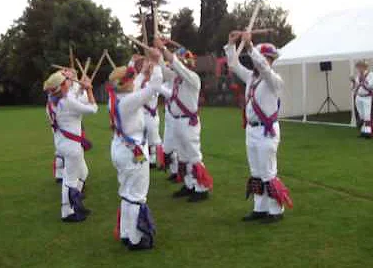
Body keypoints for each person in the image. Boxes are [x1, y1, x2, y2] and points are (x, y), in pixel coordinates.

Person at [225, 31, 292, 224]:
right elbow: (233, 65)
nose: (257, 62)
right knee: (256, 171)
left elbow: (263, 68)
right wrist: (231, 45)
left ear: (270, 60)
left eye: (263, 59)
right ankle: (259, 208)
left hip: (267, 131)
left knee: (268, 171)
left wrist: (250, 47)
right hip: (251, 130)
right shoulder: (251, 78)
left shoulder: (274, 80)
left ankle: (276, 210)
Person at [107, 50, 168, 251]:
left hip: (121, 148)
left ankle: (126, 233)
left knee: (126, 192)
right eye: (132, 78)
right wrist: (157, 62)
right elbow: (153, 87)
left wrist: (142, 70)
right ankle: (135, 238)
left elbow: (138, 86)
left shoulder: (116, 97)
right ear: (128, 83)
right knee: (136, 194)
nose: (136, 80)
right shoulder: (128, 101)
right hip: (132, 152)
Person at [154, 38, 214, 202]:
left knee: (193, 155)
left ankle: (202, 189)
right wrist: (158, 54)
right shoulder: (176, 78)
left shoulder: (193, 78)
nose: (177, 64)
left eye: (181, 61)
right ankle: (189, 184)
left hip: (188, 123)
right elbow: (165, 71)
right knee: (183, 156)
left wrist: (163, 48)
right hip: (177, 122)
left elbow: (175, 65)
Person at [44, 70, 98, 223]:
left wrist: (81, 89)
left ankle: (76, 204)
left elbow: (76, 100)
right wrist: (89, 89)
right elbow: (93, 108)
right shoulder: (67, 101)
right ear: (62, 86)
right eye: (66, 80)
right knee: (70, 179)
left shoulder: (51, 100)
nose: (69, 81)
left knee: (83, 173)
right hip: (72, 146)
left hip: (62, 143)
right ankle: (67, 212)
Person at [351, 60, 373, 138]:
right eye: (358, 67)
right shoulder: (358, 75)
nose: (358, 68)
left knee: (367, 116)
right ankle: (363, 132)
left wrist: (364, 80)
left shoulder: (370, 74)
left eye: (360, 66)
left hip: (367, 97)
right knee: (361, 115)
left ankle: (368, 133)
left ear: (364, 67)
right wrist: (353, 82)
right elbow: (354, 87)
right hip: (359, 97)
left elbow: (372, 85)